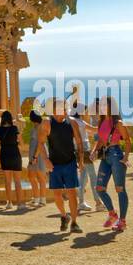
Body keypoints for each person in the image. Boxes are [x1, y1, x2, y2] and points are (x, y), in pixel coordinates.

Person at [39, 100, 85, 233]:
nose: (63, 111)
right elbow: (41, 143)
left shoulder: (72, 122)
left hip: (70, 162)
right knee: (57, 195)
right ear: (53, 111)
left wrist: (80, 161)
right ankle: (64, 216)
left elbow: (79, 142)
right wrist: (46, 160)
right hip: (55, 164)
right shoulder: (47, 123)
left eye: (64, 108)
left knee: (72, 193)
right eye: (60, 109)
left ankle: (75, 223)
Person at [93, 101, 131, 231]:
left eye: (105, 105)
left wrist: (125, 158)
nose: (102, 108)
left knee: (120, 189)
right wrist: (93, 152)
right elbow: (100, 140)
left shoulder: (118, 123)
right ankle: (112, 214)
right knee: (99, 188)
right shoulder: (102, 122)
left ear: (111, 107)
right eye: (101, 106)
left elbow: (127, 140)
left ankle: (123, 221)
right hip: (105, 156)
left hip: (116, 155)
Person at [0, 110, 24, 208]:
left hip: (5, 155)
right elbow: (22, 143)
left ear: (2, 119)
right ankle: (19, 203)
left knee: (7, 181)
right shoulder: (15, 128)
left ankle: (9, 203)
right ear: (10, 119)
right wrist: (15, 143)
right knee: (18, 181)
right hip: (15, 154)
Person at [71, 109, 98, 213]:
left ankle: (81, 202)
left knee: (83, 176)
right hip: (84, 150)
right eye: (85, 110)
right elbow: (94, 129)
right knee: (92, 176)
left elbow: (90, 131)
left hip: (77, 150)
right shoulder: (80, 122)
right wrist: (105, 125)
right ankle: (98, 202)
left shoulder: (73, 121)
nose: (86, 112)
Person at [25, 109, 48, 205]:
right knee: (33, 177)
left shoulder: (40, 128)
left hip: (37, 155)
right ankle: (38, 198)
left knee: (38, 177)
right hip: (35, 155)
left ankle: (39, 199)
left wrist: (34, 157)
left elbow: (40, 143)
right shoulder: (36, 127)